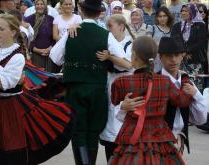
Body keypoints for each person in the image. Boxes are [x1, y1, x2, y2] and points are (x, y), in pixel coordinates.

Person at [50, 0, 132, 164]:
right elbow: (124, 64)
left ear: (81, 10)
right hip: (97, 90)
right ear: (98, 13)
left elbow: (55, 57)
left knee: (78, 131)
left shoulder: (71, 32)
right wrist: (109, 57)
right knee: (93, 131)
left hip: (75, 89)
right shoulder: (106, 35)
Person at [0, 13, 75, 165]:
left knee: (11, 147)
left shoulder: (17, 57)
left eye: (1, 29)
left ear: (13, 32)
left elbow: (4, 83)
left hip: (10, 107)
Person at [108, 36, 195, 165]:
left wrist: (123, 105)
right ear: (155, 57)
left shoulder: (121, 82)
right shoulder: (165, 81)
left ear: (134, 55)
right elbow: (182, 101)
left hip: (132, 136)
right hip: (160, 137)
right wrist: (186, 81)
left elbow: (115, 101)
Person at [158, 37, 207, 154]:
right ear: (160, 57)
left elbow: (201, 119)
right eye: (168, 56)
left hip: (179, 141)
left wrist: (195, 95)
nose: (173, 60)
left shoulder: (187, 83)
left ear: (182, 56)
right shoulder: (154, 81)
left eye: (177, 55)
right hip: (157, 142)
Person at [99, 14, 136, 162]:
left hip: (125, 88)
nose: (108, 30)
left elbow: (128, 65)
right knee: (110, 134)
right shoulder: (107, 44)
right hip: (109, 87)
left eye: (110, 26)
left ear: (121, 26)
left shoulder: (131, 44)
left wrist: (110, 57)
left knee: (123, 129)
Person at [171, 3, 207, 92]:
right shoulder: (177, 26)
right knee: (181, 88)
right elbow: (174, 40)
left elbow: (201, 42)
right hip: (180, 62)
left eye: (186, 11)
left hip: (195, 61)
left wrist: (186, 51)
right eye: (182, 11)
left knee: (196, 89)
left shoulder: (200, 25)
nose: (183, 13)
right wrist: (182, 52)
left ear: (192, 12)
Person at [25, 0, 57, 72]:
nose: (39, 6)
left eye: (42, 4)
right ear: (34, 6)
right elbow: (26, 39)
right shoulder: (29, 19)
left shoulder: (51, 19)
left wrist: (50, 48)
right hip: (35, 55)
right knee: (37, 79)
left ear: (45, 5)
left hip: (49, 55)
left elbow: (54, 38)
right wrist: (36, 49)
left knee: (49, 79)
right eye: (37, 4)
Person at [152, 6, 174, 72]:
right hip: (155, 62)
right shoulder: (152, 28)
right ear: (157, 18)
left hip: (168, 61)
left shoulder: (173, 30)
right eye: (160, 16)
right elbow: (149, 43)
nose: (162, 18)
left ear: (168, 17)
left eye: (164, 16)